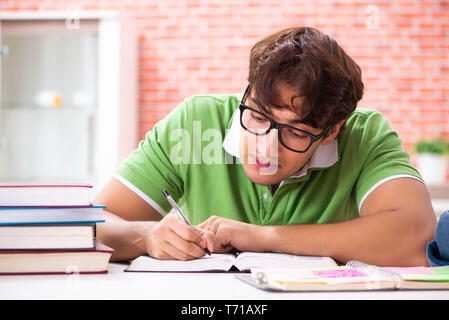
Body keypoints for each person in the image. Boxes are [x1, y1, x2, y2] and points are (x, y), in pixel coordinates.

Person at [95, 27, 436, 267]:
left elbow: (415, 236)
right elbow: (90, 224)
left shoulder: (365, 135)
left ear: (331, 133)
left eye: (295, 133)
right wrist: (147, 236)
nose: (265, 147)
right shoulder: (195, 122)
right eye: (258, 116)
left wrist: (264, 237)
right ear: (247, 93)